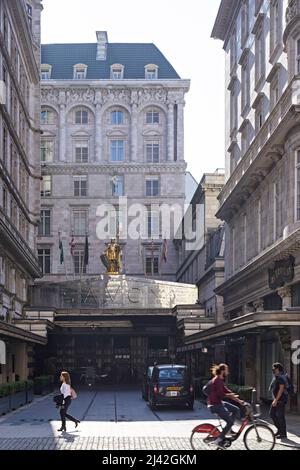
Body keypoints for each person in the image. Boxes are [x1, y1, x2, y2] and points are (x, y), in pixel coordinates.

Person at [207, 364, 245, 448]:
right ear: (223, 371)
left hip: (218, 403)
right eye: (227, 370)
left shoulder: (220, 380)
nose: (228, 372)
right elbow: (221, 394)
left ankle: (228, 430)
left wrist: (238, 400)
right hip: (215, 405)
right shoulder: (217, 380)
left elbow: (226, 390)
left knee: (236, 409)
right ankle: (218, 440)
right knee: (230, 422)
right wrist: (230, 396)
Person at [269, 362, 287, 439]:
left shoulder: (281, 377)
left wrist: (276, 400)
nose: (272, 369)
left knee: (280, 416)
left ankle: (283, 433)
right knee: (272, 414)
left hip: (280, 400)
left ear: (277, 369)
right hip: (277, 400)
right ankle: (280, 430)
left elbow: (281, 389)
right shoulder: (277, 376)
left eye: (273, 368)